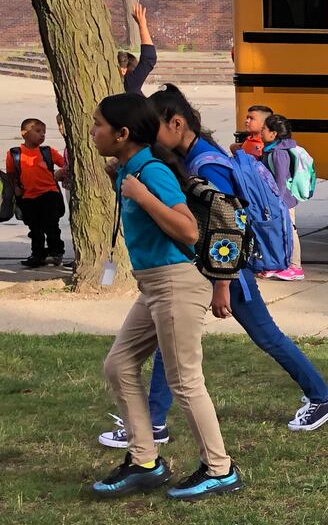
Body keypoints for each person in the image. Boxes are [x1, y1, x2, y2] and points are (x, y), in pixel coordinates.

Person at [124, 86, 328, 437]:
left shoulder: (207, 165)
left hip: (227, 271)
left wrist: (223, 285)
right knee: (174, 337)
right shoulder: (192, 156)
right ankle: (153, 419)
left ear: (177, 123)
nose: (150, 138)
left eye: (155, 129)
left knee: (265, 335)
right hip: (212, 268)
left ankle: (322, 396)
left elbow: (229, 224)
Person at [90, 92, 239, 501]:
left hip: (176, 282)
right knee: (119, 365)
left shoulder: (151, 173)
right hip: (153, 284)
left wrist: (142, 195)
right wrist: (118, 178)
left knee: (185, 381)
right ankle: (144, 462)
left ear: (122, 134)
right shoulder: (129, 168)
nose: (93, 131)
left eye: (99, 125)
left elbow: (188, 231)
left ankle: (220, 468)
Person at [8, 117, 65, 267]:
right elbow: (11, 174)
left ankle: (55, 252)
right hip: (28, 197)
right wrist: (15, 187)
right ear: (24, 133)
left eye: (44, 132)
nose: (42, 135)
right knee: (35, 228)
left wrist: (61, 172)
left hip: (49, 194)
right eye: (38, 131)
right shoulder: (14, 154)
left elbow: (65, 164)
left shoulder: (47, 152)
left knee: (52, 225)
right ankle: (37, 254)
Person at [258, 114, 306, 281]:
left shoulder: (279, 153)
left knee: (290, 230)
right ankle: (280, 264)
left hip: (283, 200)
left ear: (274, 134)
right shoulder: (271, 150)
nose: (261, 131)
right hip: (277, 199)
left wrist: (276, 200)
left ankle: (295, 266)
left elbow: (281, 179)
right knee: (279, 231)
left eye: (264, 128)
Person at [117, 3, 157, 94]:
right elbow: (149, 59)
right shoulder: (130, 85)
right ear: (123, 70)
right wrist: (142, 25)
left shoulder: (129, 85)